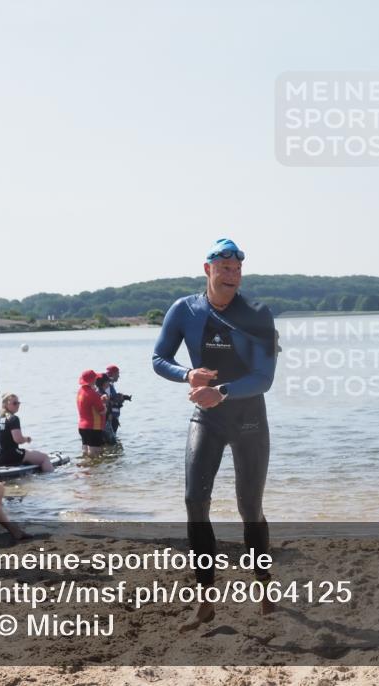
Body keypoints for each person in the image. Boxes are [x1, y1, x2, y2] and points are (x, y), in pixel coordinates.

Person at [152, 238, 279, 632]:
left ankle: (262, 583)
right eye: (223, 268)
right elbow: (159, 359)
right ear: (207, 269)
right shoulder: (184, 310)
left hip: (248, 418)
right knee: (194, 501)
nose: (231, 274)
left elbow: (264, 378)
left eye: (237, 269)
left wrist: (219, 391)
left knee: (249, 508)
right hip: (206, 416)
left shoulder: (257, 314)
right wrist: (187, 375)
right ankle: (206, 599)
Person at [0, 393, 54, 472]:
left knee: (28, 452)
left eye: (18, 403)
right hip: (11, 454)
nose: (17, 405)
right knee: (44, 458)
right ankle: (52, 479)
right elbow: (18, 439)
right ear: (6, 404)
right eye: (14, 403)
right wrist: (26, 439)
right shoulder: (13, 418)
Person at [76, 369, 107, 457]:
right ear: (92, 380)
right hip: (93, 427)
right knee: (96, 454)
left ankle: (84, 470)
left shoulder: (80, 391)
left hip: (82, 427)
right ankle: (94, 470)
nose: (96, 380)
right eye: (95, 378)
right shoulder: (93, 394)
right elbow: (102, 411)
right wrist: (104, 403)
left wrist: (100, 400)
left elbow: (88, 405)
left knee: (85, 452)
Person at [105, 364, 131, 432]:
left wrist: (122, 397)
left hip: (112, 417)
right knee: (111, 439)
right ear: (113, 374)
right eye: (117, 374)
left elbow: (111, 398)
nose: (119, 376)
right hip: (110, 418)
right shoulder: (107, 386)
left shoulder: (109, 385)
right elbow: (107, 401)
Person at [95, 373, 118, 445]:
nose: (109, 383)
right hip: (105, 422)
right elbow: (104, 408)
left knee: (103, 444)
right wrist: (110, 415)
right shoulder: (102, 394)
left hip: (100, 423)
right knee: (111, 443)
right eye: (108, 381)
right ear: (104, 383)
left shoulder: (96, 392)